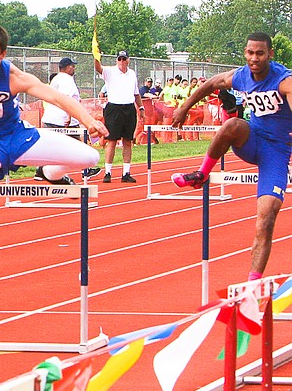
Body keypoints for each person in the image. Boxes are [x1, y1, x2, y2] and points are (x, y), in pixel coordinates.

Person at [0, 22, 107, 243]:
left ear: (2, 55)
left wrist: (88, 120)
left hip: (17, 137)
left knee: (90, 157)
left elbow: (57, 98)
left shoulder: (14, 78)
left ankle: (51, 173)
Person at [170, 32, 292, 281]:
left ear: (270, 54)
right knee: (232, 124)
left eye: (259, 53)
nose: (254, 58)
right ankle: (201, 173)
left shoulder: (284, 81)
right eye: (250, 52)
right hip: (251, 140)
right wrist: (184, 107)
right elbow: (211, 83)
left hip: (276, 153)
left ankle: (252, 283)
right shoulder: (241, 76)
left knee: (266, 221)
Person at [37, 56, 101, 180]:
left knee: (51, 147)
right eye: (72, 66)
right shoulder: (67, 80)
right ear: (67, 68)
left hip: (50, 118)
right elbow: (68, 99)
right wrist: (69, 116)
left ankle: (41, 170)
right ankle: (85, 171)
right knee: (79, 147)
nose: (74, 68)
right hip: (63, 120)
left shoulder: (56, 79)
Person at [94, 49, 145, 183]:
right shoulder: (110, 71)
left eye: (124, 59)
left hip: (129, 108)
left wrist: (141, 107)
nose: (122, 62)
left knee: (128, 140)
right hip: (114, 108)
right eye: (119, 59)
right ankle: (108, 172)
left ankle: (126, 172)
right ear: (116, 60)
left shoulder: (132, 74)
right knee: (111, 140)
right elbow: (98, 68)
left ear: (128, 60)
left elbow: (136, 94)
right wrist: (96, 56)